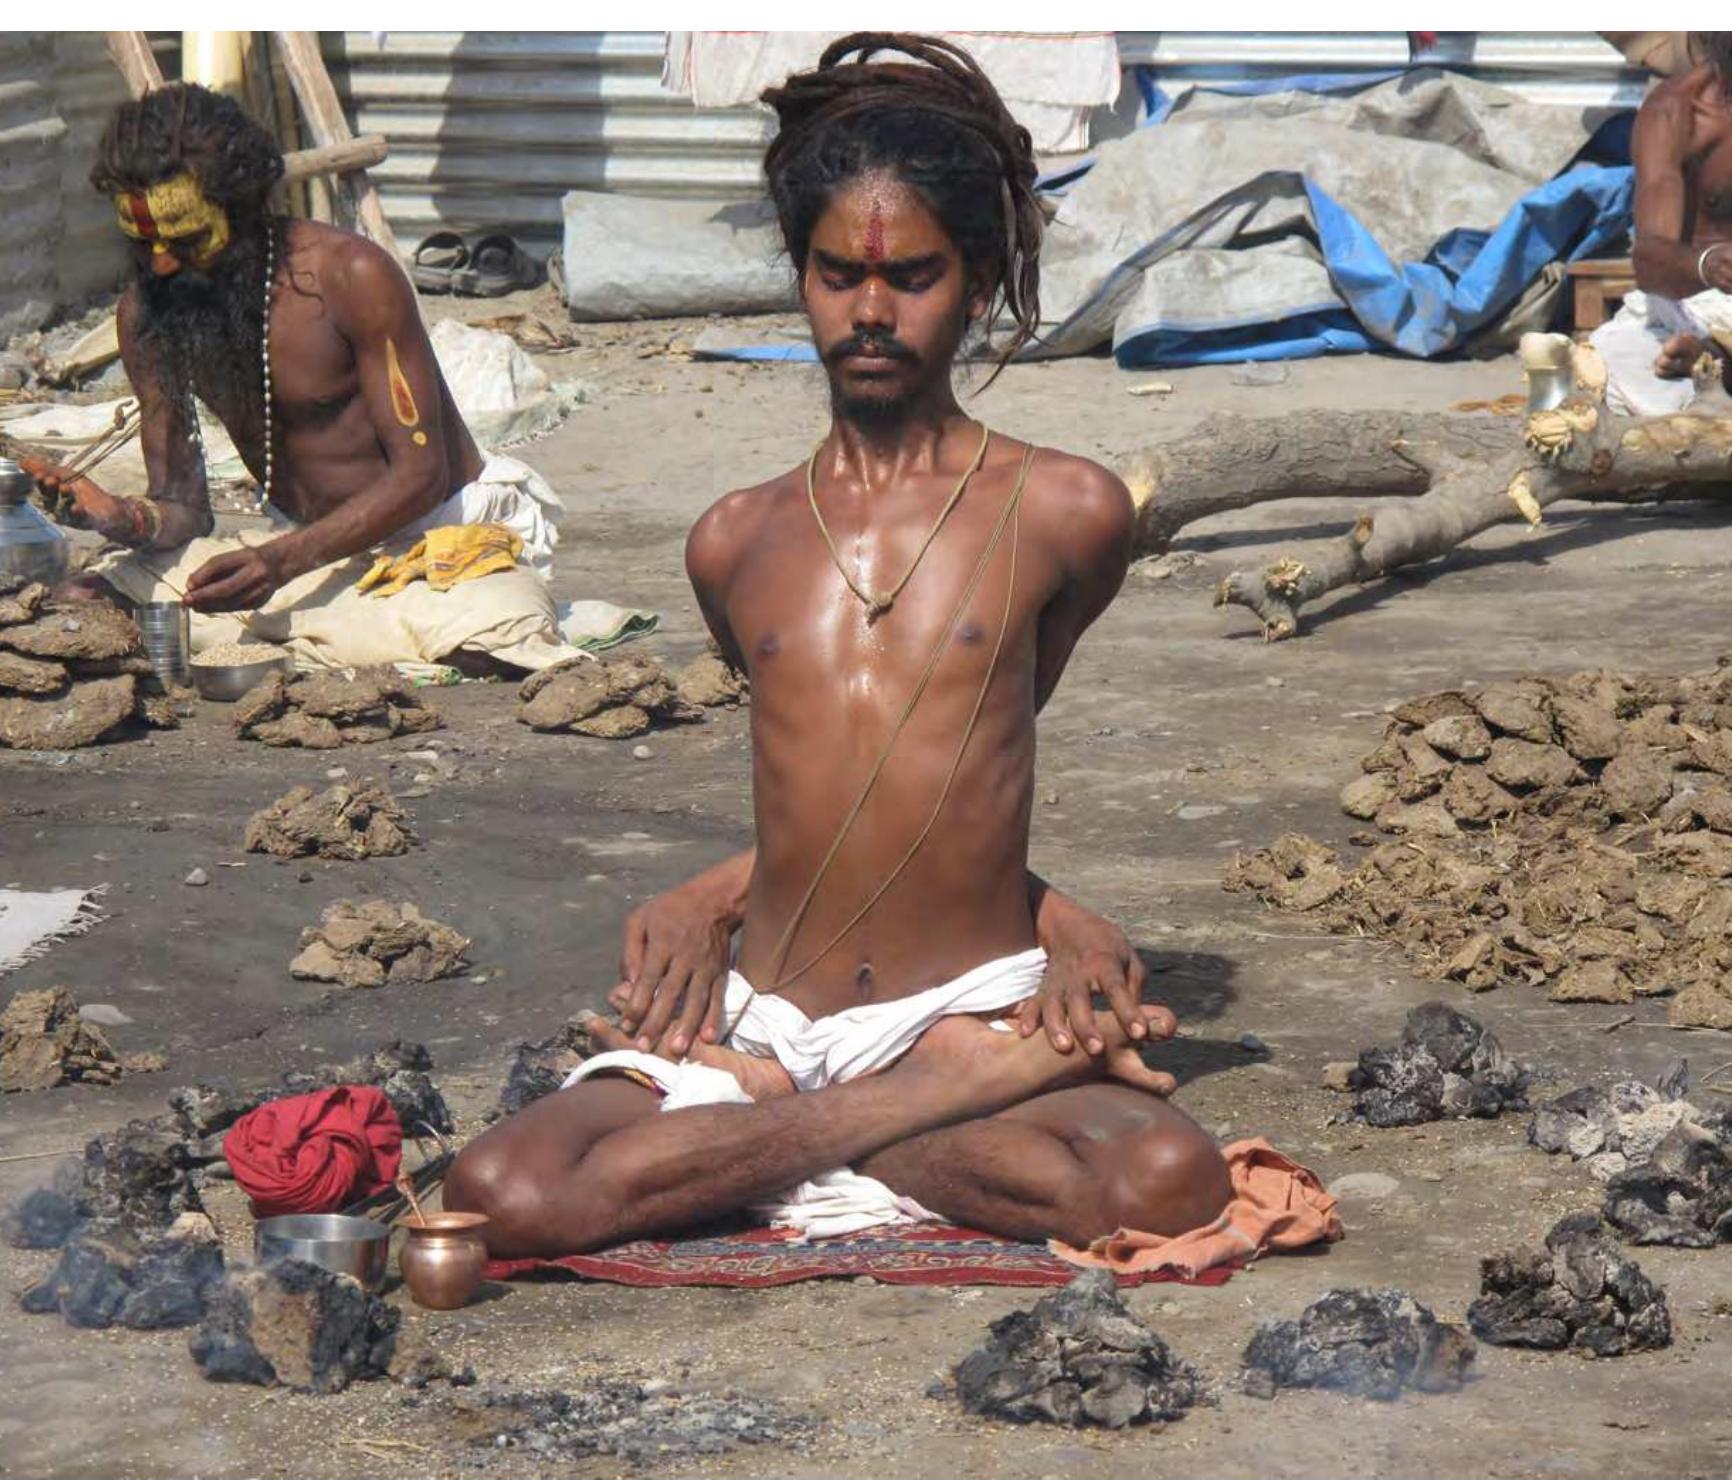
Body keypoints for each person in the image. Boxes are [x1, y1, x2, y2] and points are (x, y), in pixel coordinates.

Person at [448, 34, 1232, 1257]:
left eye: (912, 276)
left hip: (958, 1000)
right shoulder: (732, 541)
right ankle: (924, 1108)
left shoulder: (1066, 512)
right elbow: (824, 800)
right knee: (503, 1189)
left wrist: (1054, 919)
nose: (870, 311)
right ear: (799, 276)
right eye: (834, 275)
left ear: (975, 283)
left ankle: (816, 1124)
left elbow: (966, 774)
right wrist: (716, 899)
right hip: (768, 1009)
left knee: (1164, 1175)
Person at [20, 83, 573, 670]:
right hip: (295, 546)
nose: (160, 263)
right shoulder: (147, 313)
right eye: (143, 243)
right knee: (82, 602)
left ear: (241, 208)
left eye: (184, 240)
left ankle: (319, 635)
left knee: (493, 635)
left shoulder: (351, 275)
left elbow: (421, 475)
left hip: (432, 533)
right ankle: (333, 637)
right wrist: (122, 518)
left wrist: (280, 564)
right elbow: (183, 506)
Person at [1591, 34, 1732, 415]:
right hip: (1703, 302)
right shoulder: (1677, 112)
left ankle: (1718, 365)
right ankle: (1712, 360)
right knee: (1615, 365)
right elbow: (1651, 263)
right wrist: (1708, 264)